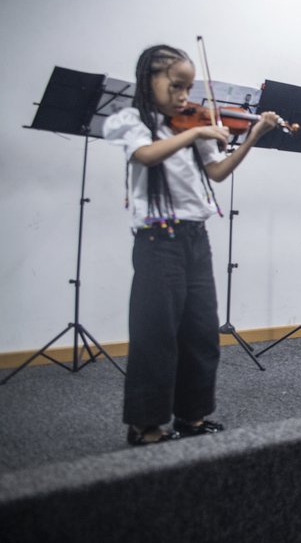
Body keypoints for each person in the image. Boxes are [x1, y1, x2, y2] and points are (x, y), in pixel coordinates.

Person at [103, 44, 280, 446]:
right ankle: (146, 425)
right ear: (150, 80)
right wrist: (199, 131)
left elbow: (217, 172)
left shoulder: (190, 125)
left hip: (195, 237)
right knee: (156, 333)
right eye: (176, 86)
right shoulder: (135, 122)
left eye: (188, 87)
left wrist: (252, 136)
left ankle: (192, 415)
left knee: (200, 330)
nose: (185, 97)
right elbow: (146, 155)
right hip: (157, 238)